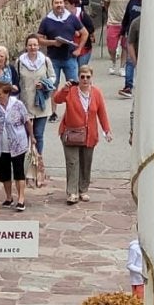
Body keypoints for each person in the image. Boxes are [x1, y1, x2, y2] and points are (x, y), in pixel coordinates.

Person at [53, 65, 113, 204]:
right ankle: (72, 192)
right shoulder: (71, 91)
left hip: (89, 134)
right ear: (78, 78)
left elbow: (102, 113)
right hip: (70, 133)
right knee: (73, 162)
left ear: (91, 78)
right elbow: (57, 99)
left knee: (86, 163)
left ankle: (83, 189)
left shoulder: (96, 93)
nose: (85, 79)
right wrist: (64, 89)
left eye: (88, 77)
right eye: (82, 77)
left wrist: (106, 130)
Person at [0, 81, 33, 211]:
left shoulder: (18, 105)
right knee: (4, 173)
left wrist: (32, 137)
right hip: (0, 144)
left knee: (19, 172)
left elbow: (27, 122)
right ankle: (9, 197)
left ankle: (21, 198)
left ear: (7, 93)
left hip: (18, 143)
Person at [37, 0, 88, 98]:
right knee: (52, 86)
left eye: (61, 3)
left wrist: (79, 49)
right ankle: (53, 112)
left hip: (70, 58)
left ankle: (73, 111)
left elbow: (85, 33)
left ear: (64, 4)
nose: (59, 5)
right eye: (56, 3)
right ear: (52, 5)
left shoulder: (71, 18)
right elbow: (39, 39)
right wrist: (53, 43)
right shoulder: (46, 21)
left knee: (73, 86)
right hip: (53, 59)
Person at [14, 36, 56, 156]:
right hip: (25, 103)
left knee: (38, 134)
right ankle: (23, 162)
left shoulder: (45, 61)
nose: (32, 47)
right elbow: (16, 81)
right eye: (30, 45)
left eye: (35, 45)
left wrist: (44, 84)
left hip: (41, 104)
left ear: (39, 46)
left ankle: (38, 162)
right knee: (25, 134)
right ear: (26, 47)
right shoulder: (19, 62)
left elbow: (52, 77)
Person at [102, 0, 136, 73]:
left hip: (126, 23)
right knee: (111, 46)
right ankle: (113, 62)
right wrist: (110, 13)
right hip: (113, 22)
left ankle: (122, 67)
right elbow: (106, 2)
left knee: (125, 46)